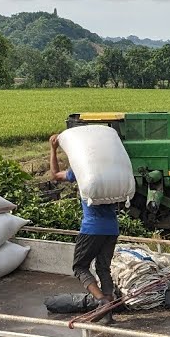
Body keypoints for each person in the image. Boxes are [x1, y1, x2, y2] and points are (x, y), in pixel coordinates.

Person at [50, 133, 120, 324]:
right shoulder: (112, 171)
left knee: (80, 266)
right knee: (103, 267)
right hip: (112, 228)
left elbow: (55, 175)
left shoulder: (83, 171)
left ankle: (102, 301)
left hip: (92, 228)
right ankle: (108, 311)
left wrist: (53, 149)